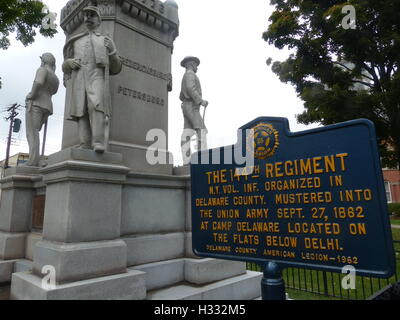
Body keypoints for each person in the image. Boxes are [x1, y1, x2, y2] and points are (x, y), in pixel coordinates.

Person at [62, 5, 122, 153]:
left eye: (92, 15)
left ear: (99, 20)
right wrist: (68, 63)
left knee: (96, 106)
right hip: (79, 78)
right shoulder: (75, 41)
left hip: (97, 76)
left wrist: (113, 53)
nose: (88, 17)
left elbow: (116, 68)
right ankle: (84, 143)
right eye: (86, 15)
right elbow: (65, 66)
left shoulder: (105, 40)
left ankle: (98, 142)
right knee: (80, 110)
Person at [25, 53, 59, 167]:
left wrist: (31, 94)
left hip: (36, 103)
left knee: (32, 132)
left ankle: (33, 160)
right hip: (48, 105)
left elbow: (38, 82)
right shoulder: (55, 77)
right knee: (38, 132)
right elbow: (54, 91)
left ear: (43, 61)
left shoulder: (42, 70)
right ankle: (38, 159)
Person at [180, 56, 209, 164]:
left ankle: (186, 160)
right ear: (192, 64)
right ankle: (203, 159)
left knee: (187, 133)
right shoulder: (190, 74)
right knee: (201, 131)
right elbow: (190, 88)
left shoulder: (185, 75)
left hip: (187, 106)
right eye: (196, 64)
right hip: (192, 107)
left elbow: (181, 95)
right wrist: (201, 101)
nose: (197, 67)